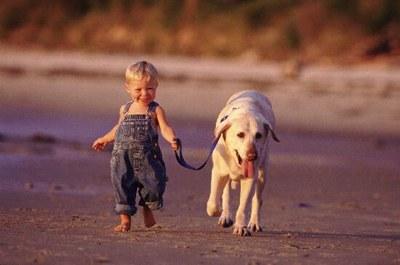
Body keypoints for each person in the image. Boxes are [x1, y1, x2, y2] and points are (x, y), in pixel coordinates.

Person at [92, 61, 178, 232]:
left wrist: (172, 139)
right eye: (138, 90)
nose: (144, 94)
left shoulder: (156, 110)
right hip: (122, 158)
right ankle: (125, 220)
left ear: (156, 87)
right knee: (122, 186)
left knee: (154, 184)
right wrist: (104, 139)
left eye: (150, 89)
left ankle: (147, 207)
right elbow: (118, 129)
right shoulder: (125, 109)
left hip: (148, 158)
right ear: (128, 88)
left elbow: (165, 127)